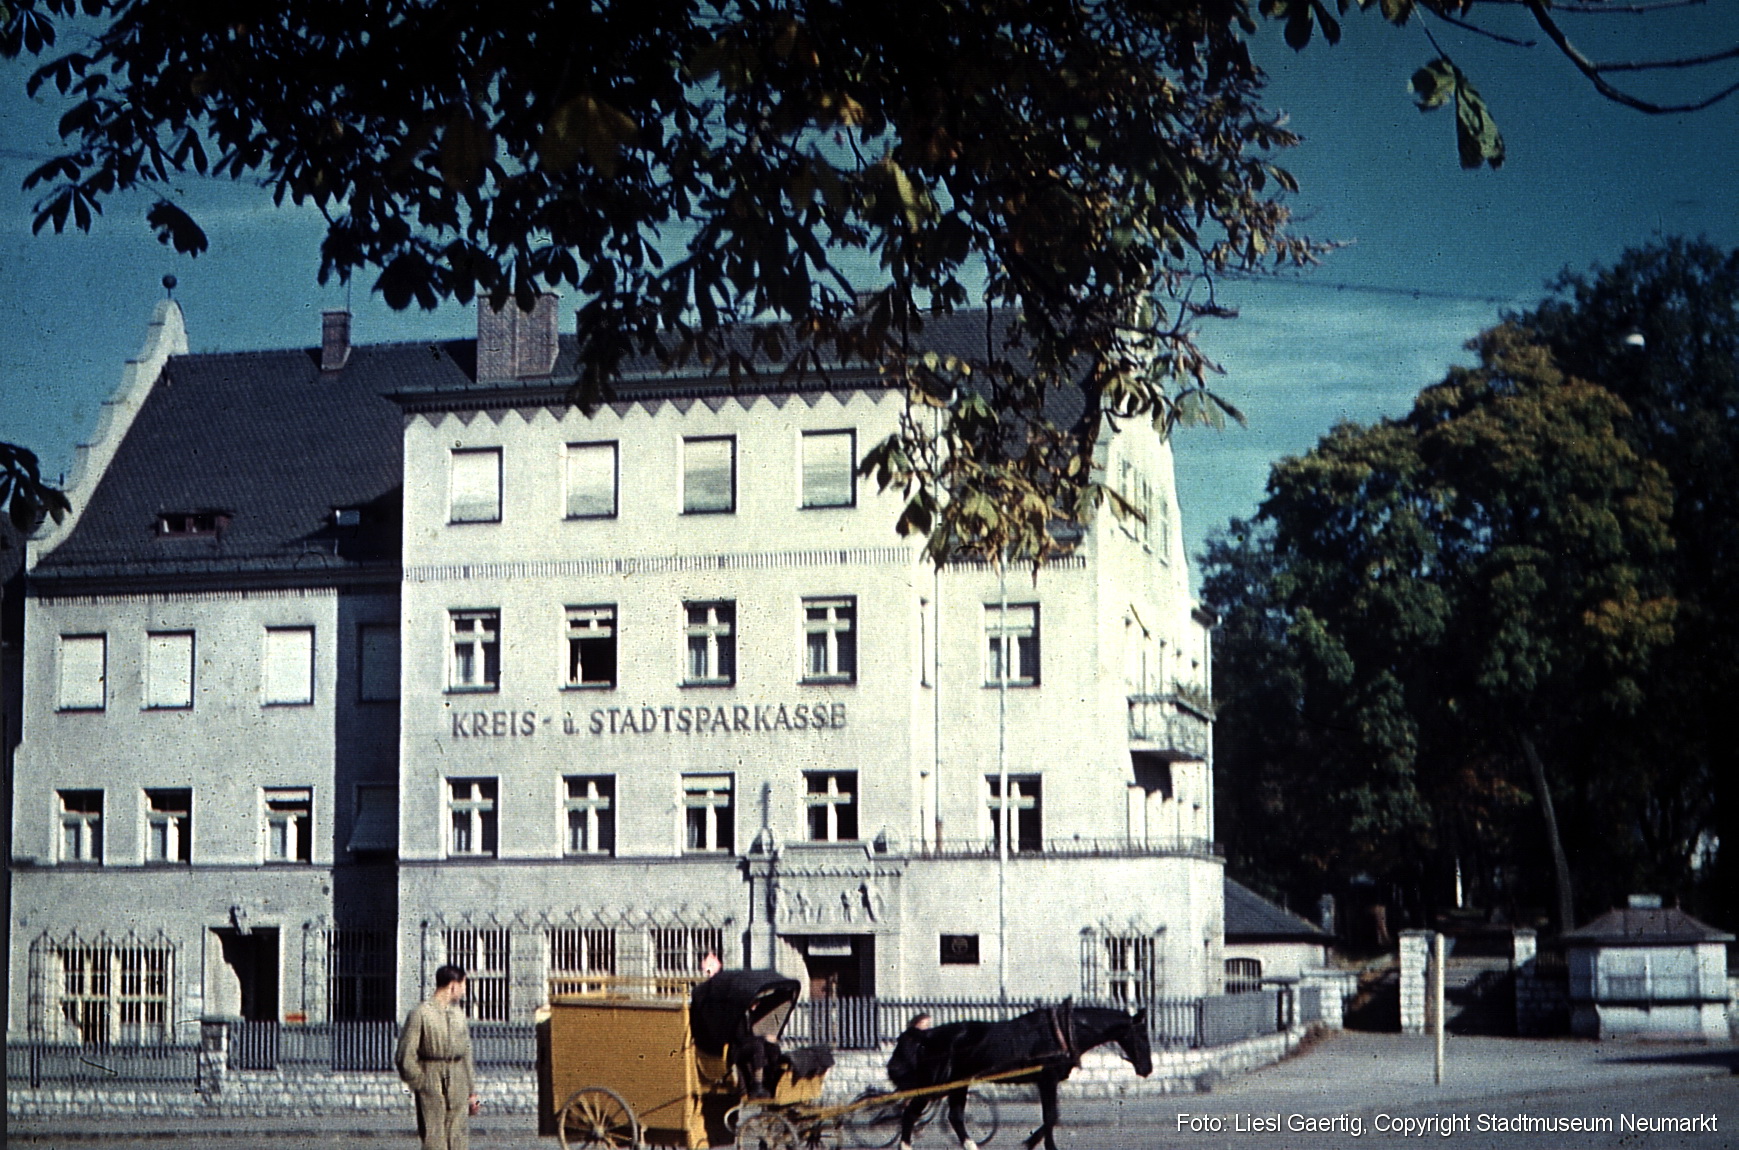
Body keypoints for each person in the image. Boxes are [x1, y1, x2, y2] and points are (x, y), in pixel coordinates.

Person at [396, 964, 479, 1150]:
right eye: (463, 985)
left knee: (458, 1138)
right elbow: (404, 1056)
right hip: (431, 1078)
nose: (464, 991)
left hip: (458, 1080)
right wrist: (421, 1083)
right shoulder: (421, 1014)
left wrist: (472, 1093)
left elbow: (466, 1055)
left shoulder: (458, 1015)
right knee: (434, 1138)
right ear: (453, 985)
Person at [886, 1012, 933, 1089]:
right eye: (925, 1023)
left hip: (907, 1070)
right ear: (917, 1023)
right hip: (901, 1070)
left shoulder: (921, 1037)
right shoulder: (909, 1037)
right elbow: (909, 1056)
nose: (927, 1026)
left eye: (928, 1023)